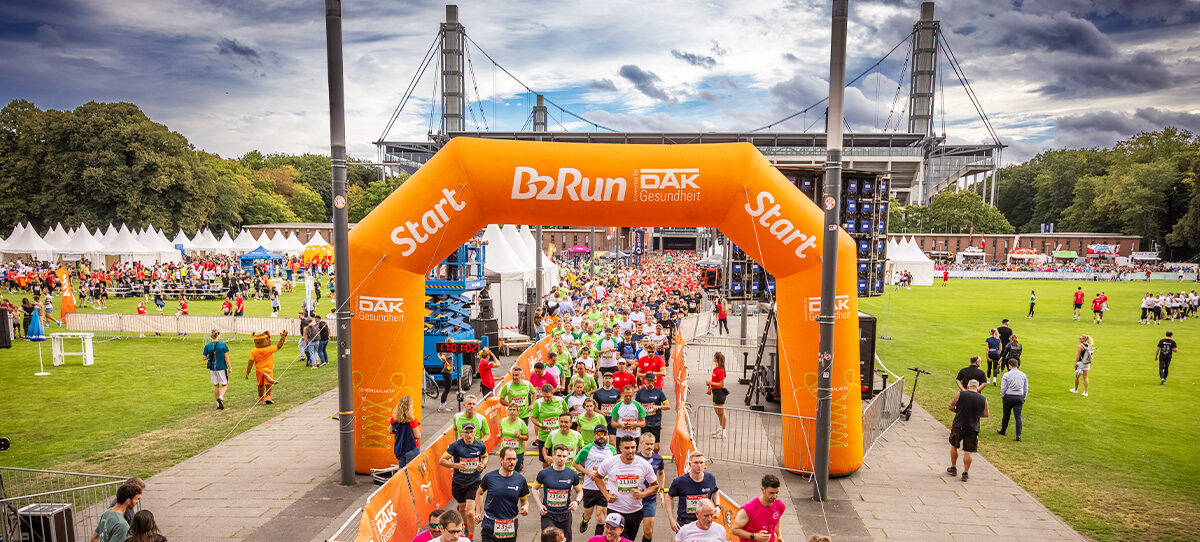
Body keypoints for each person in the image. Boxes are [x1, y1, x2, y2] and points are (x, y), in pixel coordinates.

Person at [594, 436, 659, 540]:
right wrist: (606, 494)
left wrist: (642, 494)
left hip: (635, 511)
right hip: (615, 509)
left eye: (633, 447)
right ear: (620, 448)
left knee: (629, 539)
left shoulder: (643, 464)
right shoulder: (609, 462)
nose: (631, 451)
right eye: (627, 448)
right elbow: (597, 477)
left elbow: (655, 485)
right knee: (615, 538)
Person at [439, 422, 489, 537]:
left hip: (474, 481)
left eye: (471, 432)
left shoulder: (480, 445)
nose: (469, 435)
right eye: (466, 432)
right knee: (462, 508)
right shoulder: (455, 446)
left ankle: (470, 537)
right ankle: (466, 528)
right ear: (462, 434)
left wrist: (483, 464)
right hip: (458, 482)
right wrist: (456, 465)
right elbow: (442, 461)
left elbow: (485, 456)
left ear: (475, 432)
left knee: (470, 512)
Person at [475, 447, 530, 542]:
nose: (512, 462)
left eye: (514, 459)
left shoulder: (520, 480)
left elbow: (525, 501)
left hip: (510, 527)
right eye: (509, 459)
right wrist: (478, 512)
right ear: (501, 460)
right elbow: (479, 493)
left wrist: (525, 507)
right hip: (490, 526)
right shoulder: (489, 477)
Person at [534, 444, 583, 542]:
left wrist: (576, 502)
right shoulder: (544, 473)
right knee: (549, 539)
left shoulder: (572, 474)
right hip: (548, 514)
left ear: (567, 457)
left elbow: (580, 491)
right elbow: (534, 489)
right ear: (553, 455)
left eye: (564, 456)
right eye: (559, 456)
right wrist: (540, 505)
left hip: (565, 514)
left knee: (565, 540)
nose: (561, 459)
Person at [574, 426, 617, 536]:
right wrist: (588, 473)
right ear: (594, 435)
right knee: (588, 514)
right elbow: (575, 463)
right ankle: (584, 521)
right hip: (589, 487)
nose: (601, 436)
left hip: (605, 488)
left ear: (607, 434)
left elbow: (615, 466)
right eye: (599, 433)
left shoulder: (611, 449)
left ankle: (597, 538)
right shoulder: (587, 449)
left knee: (601, 517)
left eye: (604, 433)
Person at [947, 379, 988, 482]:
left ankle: (953, 467)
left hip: (958, 425)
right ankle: (965, 472)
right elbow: (986, 414)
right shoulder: (983, 399)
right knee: (968, 451)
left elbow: (951, 407)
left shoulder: (960, 394)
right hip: (973, 427)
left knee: (954, 446)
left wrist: (958, 411)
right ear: (977, 388)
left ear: (968, 386)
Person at [666, 451, 718, 532]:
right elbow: (669, 497)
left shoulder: (710, 478)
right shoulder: (680, 481)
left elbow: (715, 491)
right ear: (689, 464)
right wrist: (671, 519)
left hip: (704, 522)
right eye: (696, 463)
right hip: (685, 523)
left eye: (701, 463)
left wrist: (717, 506)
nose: (699, 465)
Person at [730, 475, 785, 542]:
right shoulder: (748, 509)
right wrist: (754, 536)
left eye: (777, 493)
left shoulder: (779, 505)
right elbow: (734, 530)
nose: (775, 496)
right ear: (763, 490)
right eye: (771, 493)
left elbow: (778, 518)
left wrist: (779, 535)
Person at [245, 330, 288, 405]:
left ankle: (260, 397)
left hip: (259, 371)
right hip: (268, 369)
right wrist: (283, 338)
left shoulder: (254, 351)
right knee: (268, 384)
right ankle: (268, 396)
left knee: (260, 385)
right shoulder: (269, 349)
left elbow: (250, 362)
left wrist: (247, 373)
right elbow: (279, 346)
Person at [636, 433, 664, 542]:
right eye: (647, 444)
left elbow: (661, 473)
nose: (650, 446)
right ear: (641, 443)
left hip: (650, 500)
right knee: (630, 529)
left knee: (648, 532)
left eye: (652, 444)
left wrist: (661, 490)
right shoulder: (635, 458)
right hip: (634, 500)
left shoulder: (658, 459)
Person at [532, 384, 569, 467]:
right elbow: (533, 418)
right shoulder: (538, 403)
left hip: (558, 435)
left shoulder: (560, 400)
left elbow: (566, 412)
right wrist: (539, 425)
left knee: (560, 458)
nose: (546, 399)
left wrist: (564, 423)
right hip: (544, 436)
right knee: (546, 460)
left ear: (552, 393)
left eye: (548, 397)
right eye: (544, 397)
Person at [997, 359, 1027, 442]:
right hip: (1019, 396)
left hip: (1009, 396)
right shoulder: (1023, 375)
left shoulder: (1007, 375)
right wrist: (1024, 397)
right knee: (1018, 416)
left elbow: (1003, 387)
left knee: (1006, 414)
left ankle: (1003, 430)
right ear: (1017, 365)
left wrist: (1003, 395)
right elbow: (1025, 388)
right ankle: (1018, 435)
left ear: (1009, 365)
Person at [635, 374, 669, 444]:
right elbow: (636, 406)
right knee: (645, 443)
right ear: (645, 380)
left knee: (656, 447)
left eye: (652, 381)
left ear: (655, 381)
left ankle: (655, 455)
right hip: (644, 423)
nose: (650, 383)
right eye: (648, 381)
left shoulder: (659, 392)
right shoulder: (640, 392)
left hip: (655, 423)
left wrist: (659, 407)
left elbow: (668, 406)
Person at [203, 329, 231, 410]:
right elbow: (226, 357)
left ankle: (218, 404)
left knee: (216, 385)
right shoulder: (222, 345)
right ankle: (221, 398)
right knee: (225, 384)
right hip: (221, 367)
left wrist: (209, 356)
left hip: (212, 368)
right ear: (218, 335)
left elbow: (204, 357)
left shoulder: (207, 346)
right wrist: (230, 367)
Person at [391, 395, 421, 466]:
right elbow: (417, 435)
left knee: (402, 471)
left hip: (400, 448)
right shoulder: (412, 419)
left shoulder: (395, 419)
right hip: (411, 448)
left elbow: (390, 430)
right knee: (411, 471)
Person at [499, 403, 531, 473]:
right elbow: (501, 430)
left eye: (514, 410)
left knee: (515, 471)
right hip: (504, 451)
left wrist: (519, 436)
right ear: (508, 411)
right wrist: (500, 434)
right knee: (504, 470)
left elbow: (526, 437)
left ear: (517, 411)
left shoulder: (521, 423)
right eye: (510, 410)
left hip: (517, 452)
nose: (512, 411)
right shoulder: (503, 421)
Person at [706, 352, 728, 438]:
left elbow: (722, 384)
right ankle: (721, 428)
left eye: (714, 356)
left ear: (717, 359)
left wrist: (710, 382)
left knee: (722, 413)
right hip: (715, 392)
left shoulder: (720, 371)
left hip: (719, 393)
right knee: (718, 412)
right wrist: (710, 385)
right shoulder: (715, 369)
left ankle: (724, 431)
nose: (713, 357)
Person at [437, 346, 456, 412]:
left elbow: (439, 354)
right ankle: (442, 406)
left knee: (447, 389)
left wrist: (445, 362)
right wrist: (446, 362)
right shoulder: (447, 351)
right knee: (447, 389)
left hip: (446, 372)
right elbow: (442, 356)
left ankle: (444, 405)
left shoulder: (446, 350)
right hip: (446, 372)